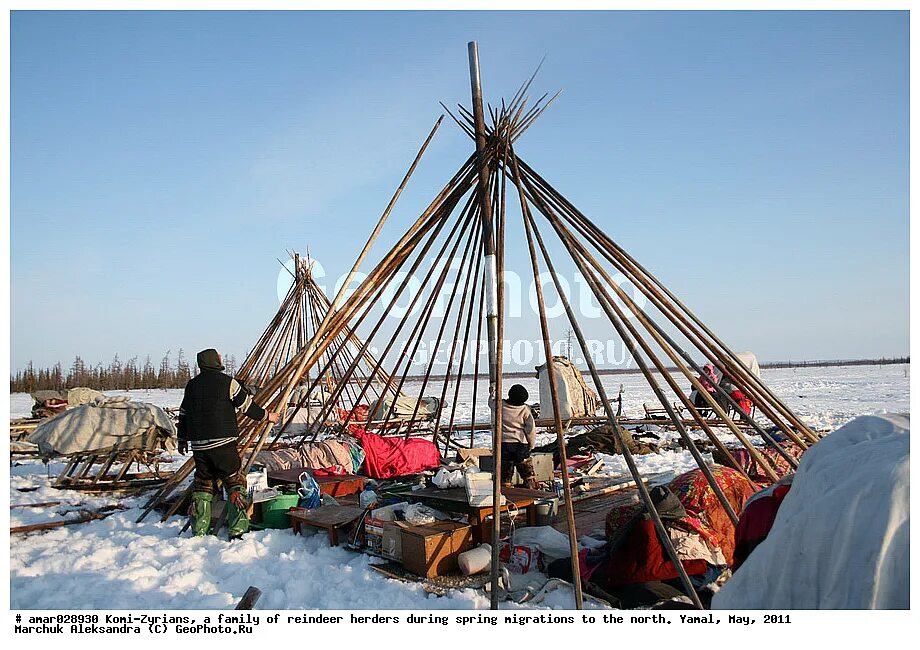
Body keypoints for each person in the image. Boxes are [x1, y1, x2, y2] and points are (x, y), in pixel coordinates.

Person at [177, 348, 279, 539]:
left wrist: (182, 439)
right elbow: (247, 407)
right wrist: (268, 416)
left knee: (203, 485)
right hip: (222, 444)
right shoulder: (227, 383)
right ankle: (237, 529)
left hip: (199, 447)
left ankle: (199, 530)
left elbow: (183, 414)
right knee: (234, 482)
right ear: (215, 361)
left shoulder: (192, 385)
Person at [489, 383, 537, 489]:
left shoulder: (500, 405)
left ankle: (506, 490)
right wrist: (531, 444)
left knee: (505, 470)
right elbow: (530, 429)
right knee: (526, 471)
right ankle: (531, 488)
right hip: (521, 444)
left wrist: (493, 392)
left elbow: (491, 403)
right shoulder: (525, 410)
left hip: (504, 443)